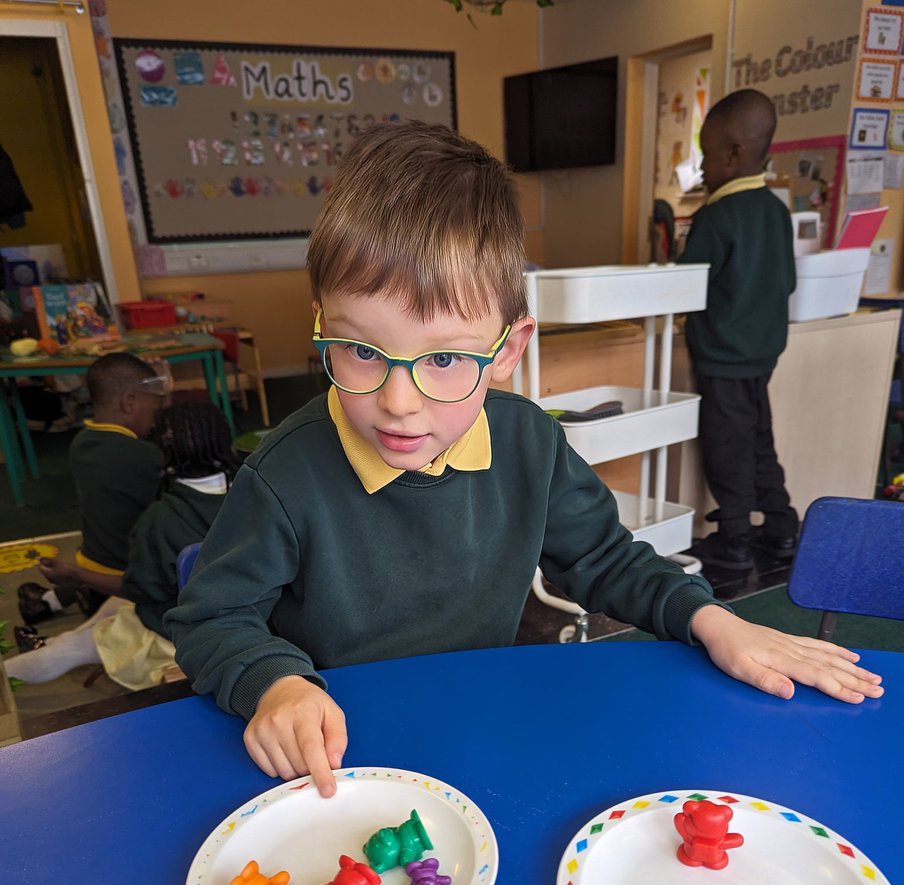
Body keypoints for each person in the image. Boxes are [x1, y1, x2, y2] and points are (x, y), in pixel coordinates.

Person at [165, 120, 883, 796]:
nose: (400, 401)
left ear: (508, 350)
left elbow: (606, 561)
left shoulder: (528, 442)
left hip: (480, 730)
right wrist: (275, 683)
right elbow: (209, 620)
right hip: (340, 756)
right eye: (360, 351)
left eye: (444, 357)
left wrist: (713, 620)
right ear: (321, 325)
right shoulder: (286, 474)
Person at [7, 399, 237, 690]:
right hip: (244, 618)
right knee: (110, 612)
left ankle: (19, 665)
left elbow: (137, 590)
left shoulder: (159, 519)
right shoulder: (252, 491)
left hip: (181, 632)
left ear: (162, 451)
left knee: (71, 649)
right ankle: (48, 640)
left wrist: (74, 575)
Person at [679, 88, 799, 571]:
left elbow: (685, 286)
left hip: (721, 359)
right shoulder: (777, 212)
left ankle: (732, 539)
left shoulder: (715, 216)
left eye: (706, 154)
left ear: (733, 153)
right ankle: (782, 524)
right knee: (758, 439)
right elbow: (786, 282)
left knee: (727, 447)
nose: (702, 166)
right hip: (761, 357)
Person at [17, 352, 169, 626]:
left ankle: (52, 600)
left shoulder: (81, 444)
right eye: (155, 411)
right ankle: (74, 597)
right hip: (124, 581)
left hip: (92, 562)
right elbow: (173, 443)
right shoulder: (144, 457)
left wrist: (157, 391)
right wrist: (166, 391)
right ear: (129, 403)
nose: (156, 420)